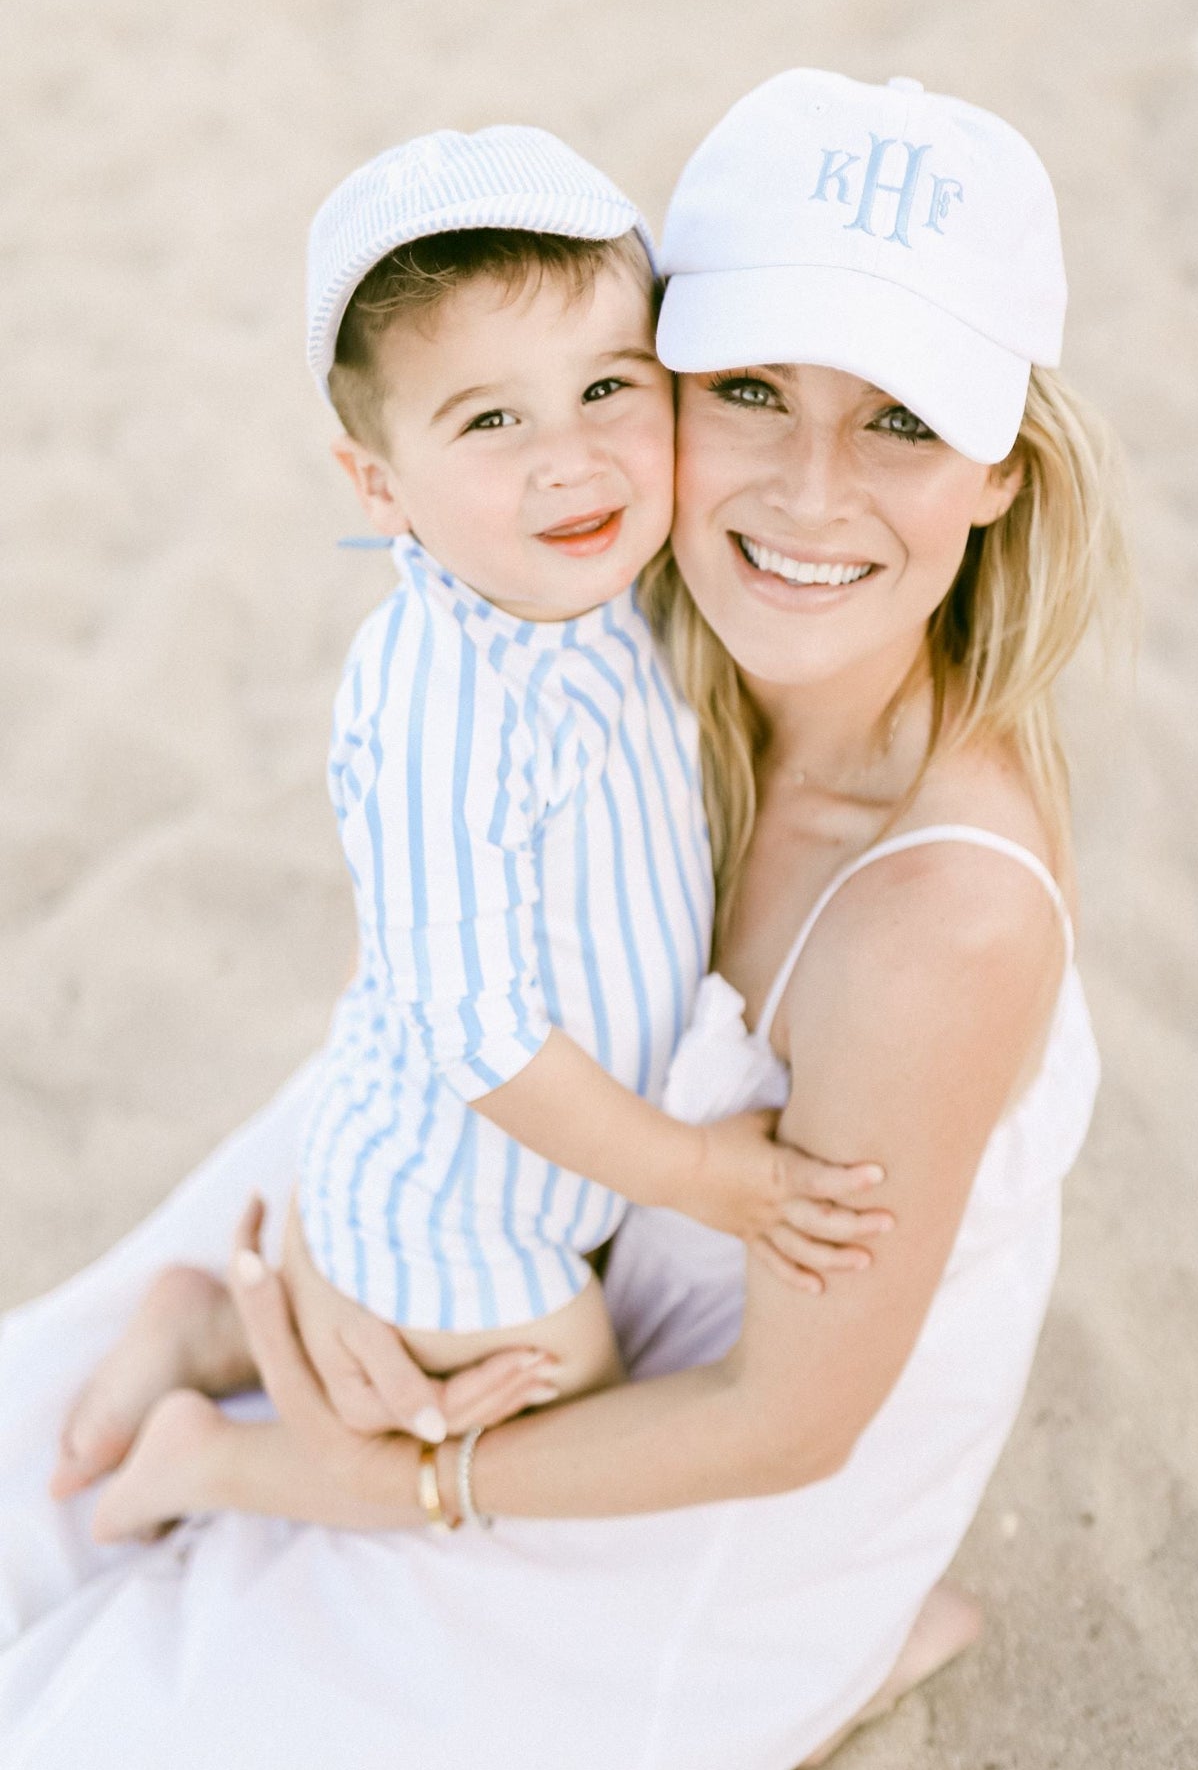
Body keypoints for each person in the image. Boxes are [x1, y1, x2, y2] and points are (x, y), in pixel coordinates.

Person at [0, 69, 1125, 1770]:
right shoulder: (640, 642)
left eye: (900, 420)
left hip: (714, 1457)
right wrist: (335, 1253)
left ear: (998, 467)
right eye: (748, 390)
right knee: (28, 1470)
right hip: (553, 1220)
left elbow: (783, 1428)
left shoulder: (940, 921)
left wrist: (407, 1480)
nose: (813, 492)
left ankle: (813, 1656)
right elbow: (469, 970)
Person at [51, 124, 889, 1522]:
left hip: (554, 1167)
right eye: (490, 420)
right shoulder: (446, 697)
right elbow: (480, 1035)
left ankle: (207, 1320)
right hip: (456, 1209)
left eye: (606, 389)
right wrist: (695, 1178)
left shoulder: (583, 583)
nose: (567, 462)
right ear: (378, 488)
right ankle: (214, 1454)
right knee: (556, 1418)